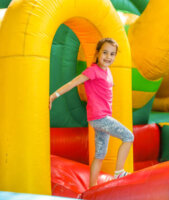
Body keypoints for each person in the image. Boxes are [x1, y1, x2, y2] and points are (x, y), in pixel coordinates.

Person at [49, 38, 134, 187]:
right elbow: (72, 83)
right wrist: (54, 96)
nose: (108, 57)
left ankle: (92, 187)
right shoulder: (93, 71)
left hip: (100, 118)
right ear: (97, 53)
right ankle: (119, 172)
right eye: (105, 52)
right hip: (100, 118)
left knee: (100, 155)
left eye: (112, 54)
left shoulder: (107, 71)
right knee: (128, 136)